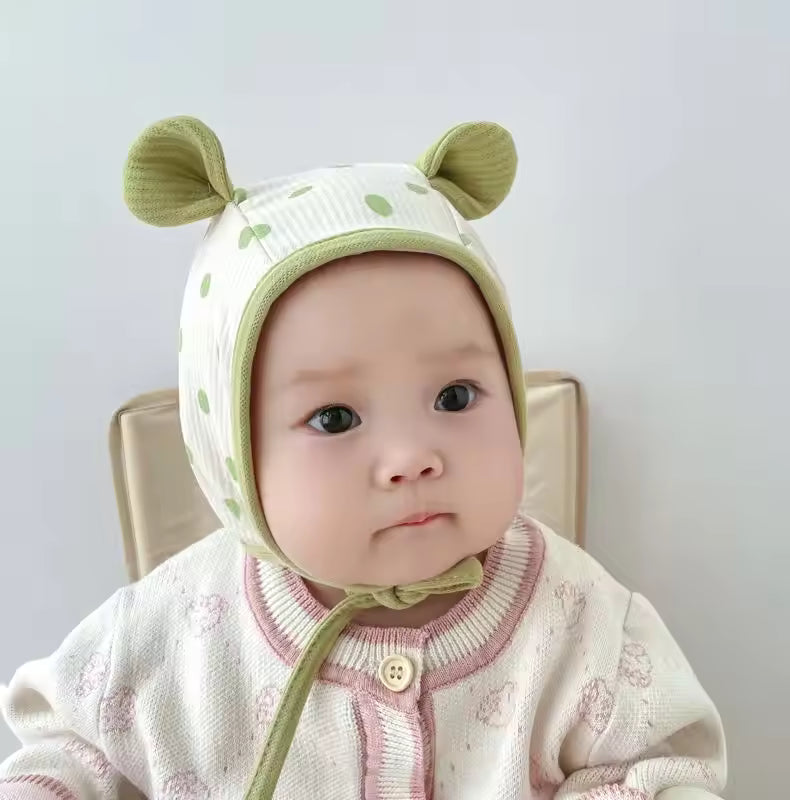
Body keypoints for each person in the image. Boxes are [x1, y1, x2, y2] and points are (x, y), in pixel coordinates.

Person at [0, 117, 726, 799]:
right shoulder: (174, 629)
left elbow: (657, 766)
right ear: (233, 457)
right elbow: (68, 750)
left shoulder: (578, 617)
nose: (411, 458)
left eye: (455, 396)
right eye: (335, 417)